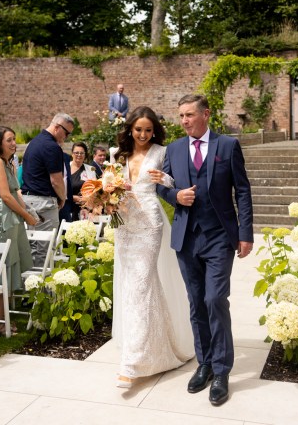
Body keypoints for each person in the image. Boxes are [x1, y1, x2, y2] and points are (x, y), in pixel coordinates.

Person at [157, 94, 254, 407]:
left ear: (205, 114)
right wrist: (175, 196)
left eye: (189, 115)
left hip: (219, 237)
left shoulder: (227, 146)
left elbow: (242, 190)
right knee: (196, 303)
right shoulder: (173, 149)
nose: (184, 121)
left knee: (215, 299)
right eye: (181, 116)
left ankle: (223, 370)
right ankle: (206, 363)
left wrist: (246, 234)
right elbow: (161, 185)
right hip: (186, 237)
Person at [111, 106, 194, 388]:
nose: (144, 134)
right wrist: (105, 195)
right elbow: (108, 186)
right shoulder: (118, 155)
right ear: (130, 130)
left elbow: (174, 184)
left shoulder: (162, 152)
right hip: (123, 224)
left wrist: (166, 180)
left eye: (148, 130)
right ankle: (158, 349)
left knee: (141, 285)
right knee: (134, 286)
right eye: (139, 130)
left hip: (149, 224)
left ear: (154, 130)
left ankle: (132, 363)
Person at [0, 126, 37, 333]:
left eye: (15, 139)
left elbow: (17, 193)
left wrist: (28, 213)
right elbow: (5, 196)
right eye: (9, 140)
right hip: (2, 218)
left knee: (11, 265)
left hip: (13, 216)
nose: (14, 143)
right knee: (1, 266)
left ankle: (1, 317)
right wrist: (25, 216)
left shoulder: (9, 163)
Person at [21, 113, 75, 266]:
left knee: (32, 248)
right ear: (57, 127)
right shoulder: (51, 146)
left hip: (29, 200)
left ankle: (29, 286)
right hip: (43, 203)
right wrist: (63, 197)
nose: (67, 137)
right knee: (45, 250)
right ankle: (42, 289)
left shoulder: (34, 142)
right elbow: (56, 180)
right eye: (66, 133)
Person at [70, 142, 95, 221]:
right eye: (76, 152)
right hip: (68, 207)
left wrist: (87, 198)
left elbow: (95, 188)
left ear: (85, 155)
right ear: (72, 154)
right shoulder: (65, 168)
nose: (79, 155)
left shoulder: (90, 169)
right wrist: (72, 198)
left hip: (85, 209)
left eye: (82, 153)